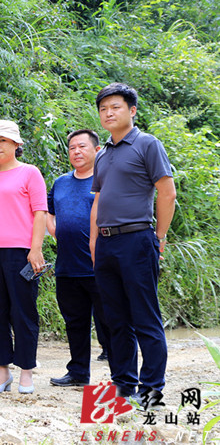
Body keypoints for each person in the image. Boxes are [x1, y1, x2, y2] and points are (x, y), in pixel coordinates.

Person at [89, 83, 176, 408]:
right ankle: (122, 385)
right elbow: (98, 201)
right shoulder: (103, 155)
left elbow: (167, 193)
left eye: (116, 107)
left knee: (144, 316)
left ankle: (151, 389)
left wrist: (160, 237)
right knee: (114, 318)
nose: (109, 113)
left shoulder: (147, 144)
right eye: (103, 109)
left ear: (132, 110)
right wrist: (95, 242)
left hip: (138, 239)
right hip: (107, 245)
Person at [0, 120, 47, 394]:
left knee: (23, 311)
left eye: (1, 141)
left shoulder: (30, 173)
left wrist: (36, 248)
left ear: (16, 144)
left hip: (21, 252)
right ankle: (2, 370)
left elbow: (39, 212)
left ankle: (26, 371)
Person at [47, 129, 111, 387]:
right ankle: (78, 373)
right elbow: (48, 212)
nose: (76, 151)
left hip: (100, 266)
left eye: (82, 146)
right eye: (72, 147)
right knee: (75, 322)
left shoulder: (106, 180)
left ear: (97, 151)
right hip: (67, 266)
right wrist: (56, 231)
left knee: (109, 323)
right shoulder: (60, 182)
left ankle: (120, 377)